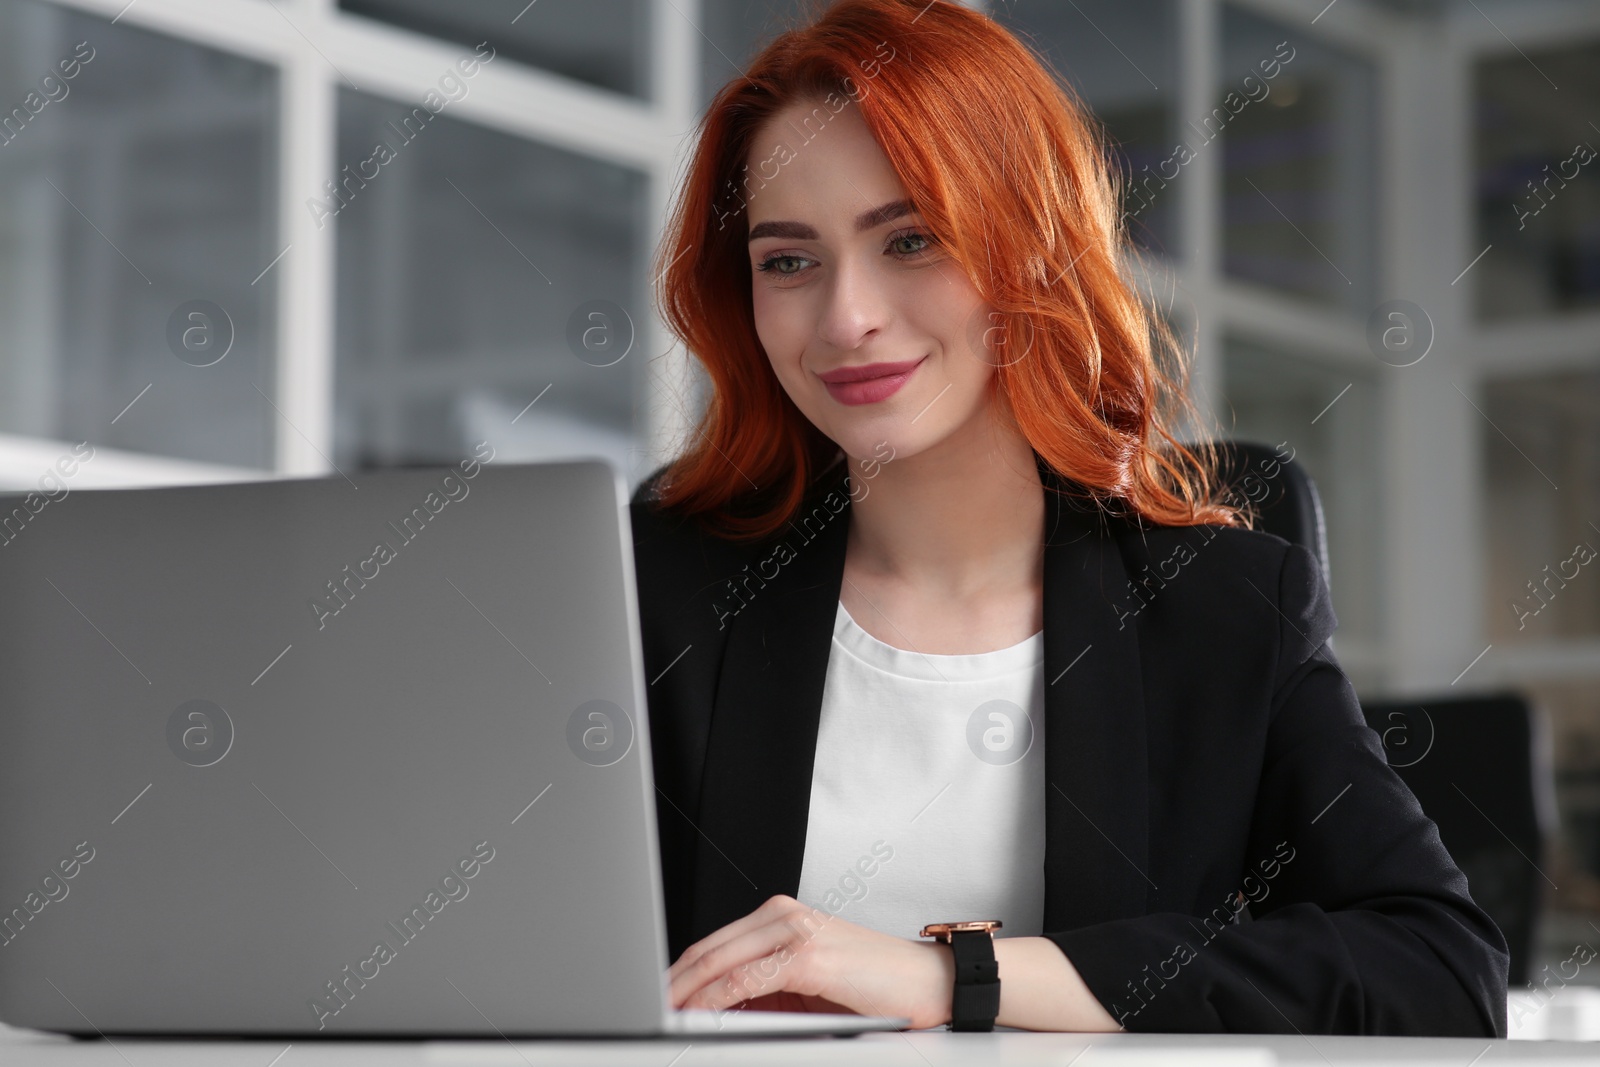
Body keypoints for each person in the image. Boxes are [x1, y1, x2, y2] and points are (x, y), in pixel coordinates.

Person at [627, 0, 1508, 1035]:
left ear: (1028, 249)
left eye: (910, 239)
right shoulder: (660, 587)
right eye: (787, 260)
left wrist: (958, 977)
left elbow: (1439, 970)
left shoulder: (1220, 606)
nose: (846, 317)